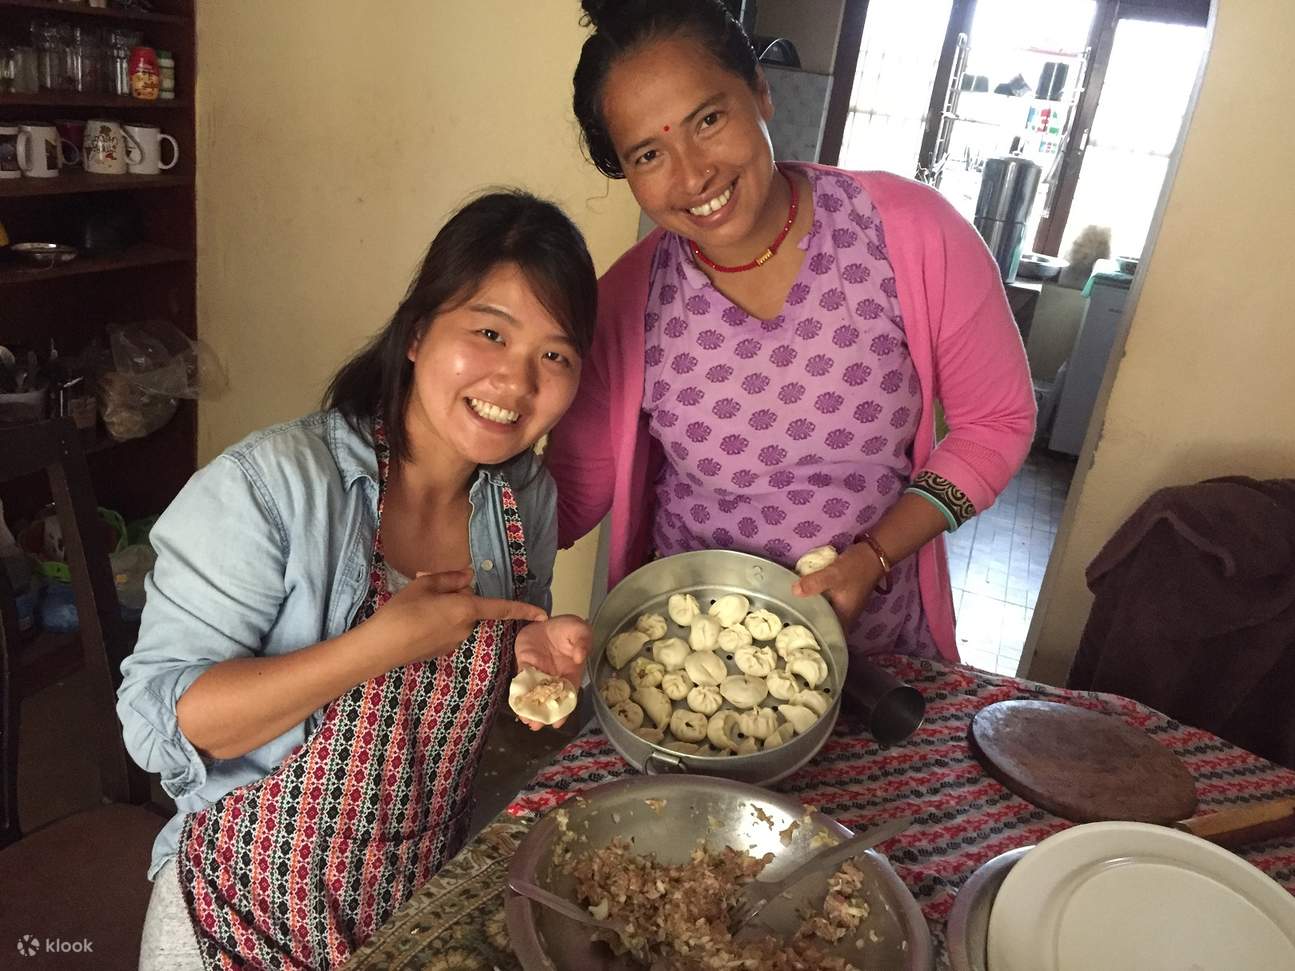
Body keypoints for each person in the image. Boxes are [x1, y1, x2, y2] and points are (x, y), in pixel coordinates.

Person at [117, 190, 597, 970]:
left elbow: (464, 678)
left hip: (407, 911)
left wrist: (531, 650)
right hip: (239, 914)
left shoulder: (522, 500)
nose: (516, 380)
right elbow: (167, 719)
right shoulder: (271, 485)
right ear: (416, 333)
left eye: (555, 353)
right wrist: (376, 644)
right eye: (488, 332)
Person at [548, 0, 1036, 662]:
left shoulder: (910, 235)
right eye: (648, 153)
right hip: (685, 661)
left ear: (761, 93)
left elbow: (995, 422)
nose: (693, 175)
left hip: (875, 654)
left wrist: (874, 554)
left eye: (709, 120)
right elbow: (568, 494)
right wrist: (418, 509)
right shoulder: (625, 303)